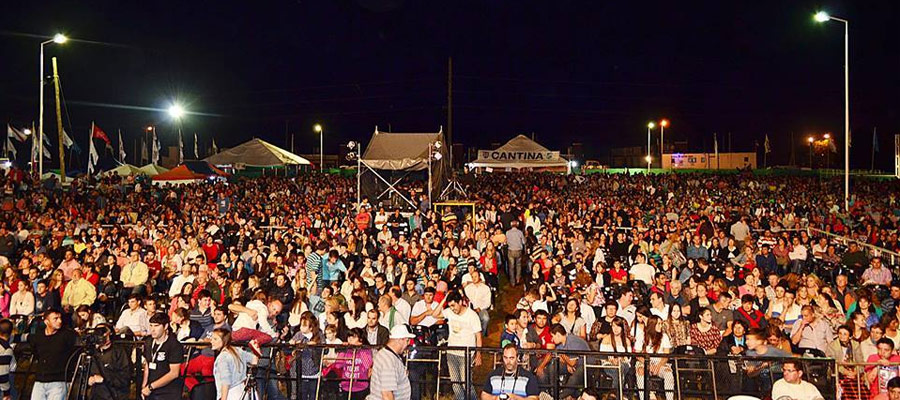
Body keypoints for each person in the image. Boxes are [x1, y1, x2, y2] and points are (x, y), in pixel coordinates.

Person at [441, 291, 482, 400]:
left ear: (460, 302)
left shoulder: (472, 315)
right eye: (450, 306)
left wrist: (478, 354)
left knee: (466, 383)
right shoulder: (449, 312)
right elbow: (435, 314)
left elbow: (478, 335)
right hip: (451, 352)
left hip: (466, 354)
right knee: (455, 382)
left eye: (453, 305)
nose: (452, 308)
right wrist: (444, 300)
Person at [30, 309, 77, 400]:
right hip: (40, 380)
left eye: (60, 318)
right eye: (55, 319)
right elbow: (36, 352)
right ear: (46, 321)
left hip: (59, 381)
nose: (59, 321)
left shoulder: (67, 335)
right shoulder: (39, 336)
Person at [142, 312, 185, 400]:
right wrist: (144, 385)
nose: (152, 329)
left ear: (165, 326)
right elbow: (147, 364)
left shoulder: (174, 345)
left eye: (156, 326)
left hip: (169, 392)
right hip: (151, 390)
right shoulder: (148, 342)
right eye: (151, 325)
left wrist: (151, 387)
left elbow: (174, 373)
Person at [368, 325, 415, 400]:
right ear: (400, 340)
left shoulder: (385, 353)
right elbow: (387, 395)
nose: (408, 343)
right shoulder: (388, 361)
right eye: (407, 340)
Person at [86, 324, 133, 400]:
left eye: (103, 332)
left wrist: (104, 378)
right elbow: (80, 376)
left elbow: (125, 378)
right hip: (96, 395)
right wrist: (88, 380)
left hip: (114, 395)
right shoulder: (92, 353)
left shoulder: (119, 352)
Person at [210, 328, 260, 400]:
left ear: (224, 340)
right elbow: (254, 360)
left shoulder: (222, 358)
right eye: (212, 339)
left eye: (215, 339)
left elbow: (226, 382)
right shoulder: (238, 350)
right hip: (242, 391)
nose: (212, 341)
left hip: (230, 394)